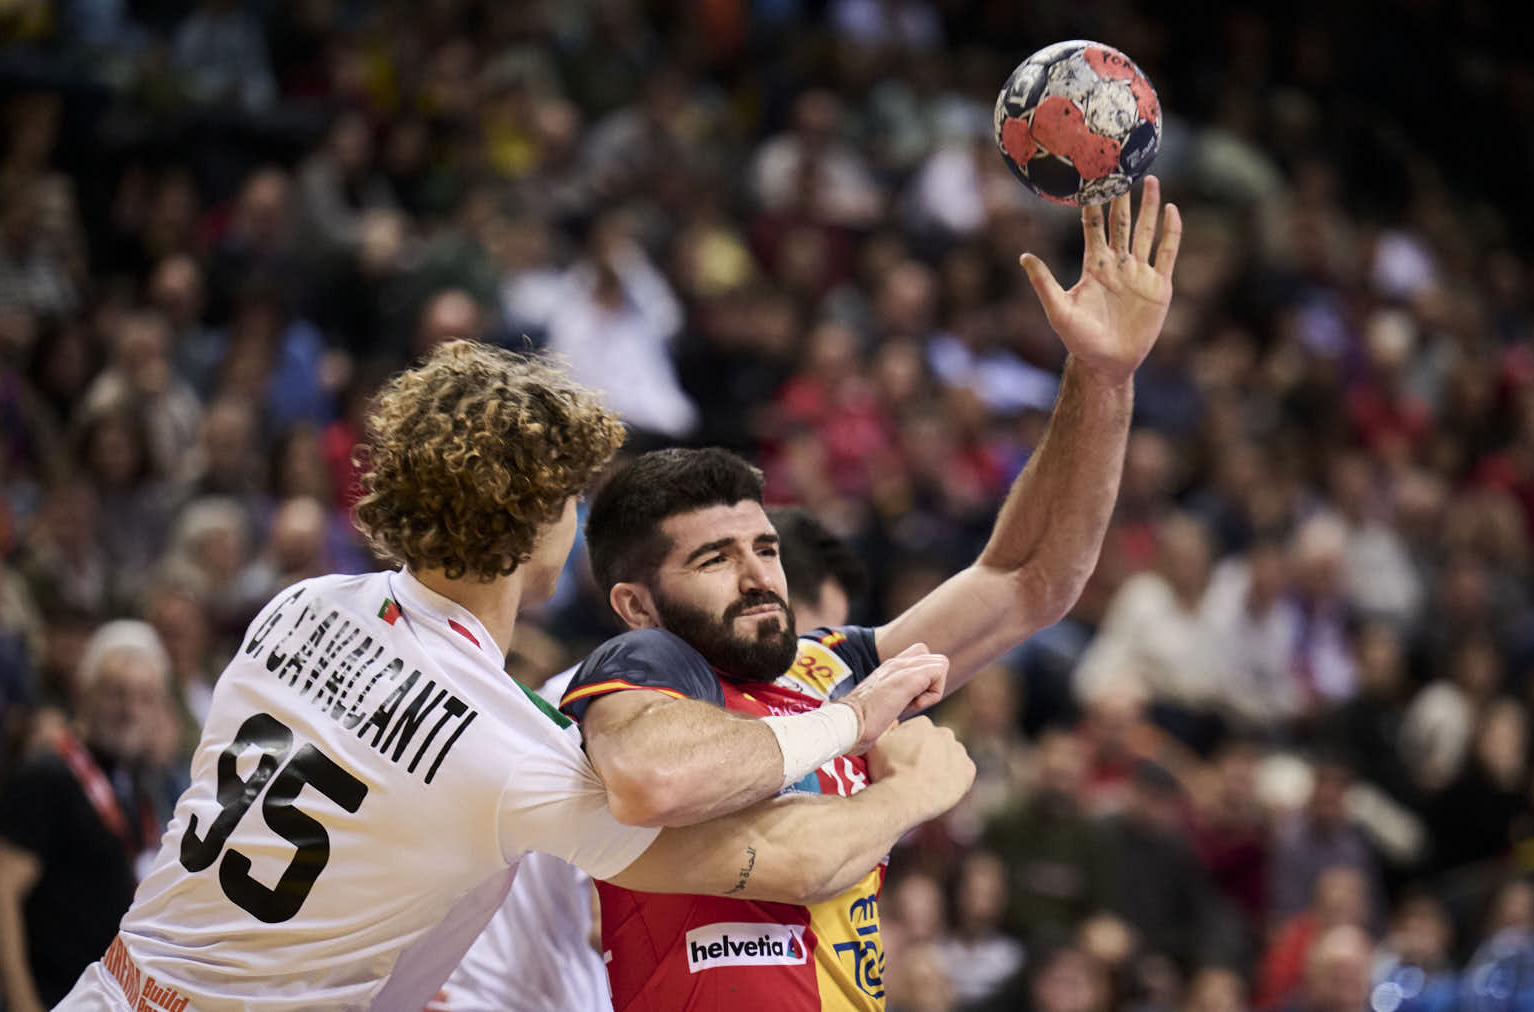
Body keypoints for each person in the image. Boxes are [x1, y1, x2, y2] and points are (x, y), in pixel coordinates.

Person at [53, 342, 974, 1011]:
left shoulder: (304, 605)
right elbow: (786, 861)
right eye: (572, 500)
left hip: (108, 989)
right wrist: (872, 746)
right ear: (539, 521)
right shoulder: (509, 752)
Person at [558, 177, 1181, 1009]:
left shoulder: (828, 667)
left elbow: (1029, 579)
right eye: (714, 559)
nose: (758, 577)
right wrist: (904, 788)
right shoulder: (642, 667)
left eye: (766, 548)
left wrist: (1103, 377)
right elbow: (653, 782)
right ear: (636, 602)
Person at [439, 507, 871, 1011]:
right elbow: (616, 920)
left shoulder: (619, 690)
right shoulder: (648, 719)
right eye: (817, 642)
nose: (815, 675)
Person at [0, 621, 175, 1011]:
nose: (131, 710)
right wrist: (23, 1003)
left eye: (145, 698)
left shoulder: (140, 786)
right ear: (84, 693)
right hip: (54, 998)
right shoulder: (49, 775)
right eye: (117, 693)